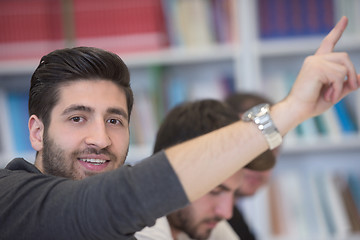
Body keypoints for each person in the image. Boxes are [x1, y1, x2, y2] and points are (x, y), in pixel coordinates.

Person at [0, 16, 358, 240]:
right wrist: (290, 110)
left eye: (114, 120)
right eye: (77, 118)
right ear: (36, 132)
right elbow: (114, 200)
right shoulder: (12, 197)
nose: (101, 139)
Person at [135, 99, 243, 240]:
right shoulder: (141, 230)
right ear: (167, 171)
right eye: (215, 191)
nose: (227, 213)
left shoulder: (205, 223)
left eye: (235, 194)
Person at [212, 93, 280, 240]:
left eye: (271, 151)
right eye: (251, 149)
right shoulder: (205, 223)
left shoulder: (235, 219)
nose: (261, 166)